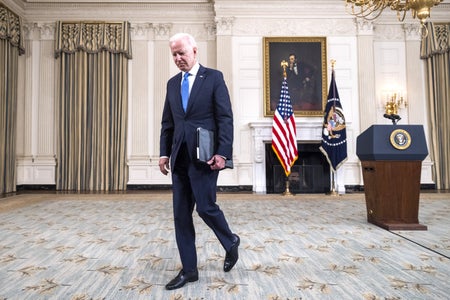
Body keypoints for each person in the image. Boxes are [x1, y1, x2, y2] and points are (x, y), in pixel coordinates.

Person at [159, 32, 240, 290]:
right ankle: (190, 270)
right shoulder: (172, 84)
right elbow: (168, 123)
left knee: (205, 207)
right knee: (181, 215)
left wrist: (223, 153)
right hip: (179, 157)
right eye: (174, 54)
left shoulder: (213, 78)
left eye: (181, 53)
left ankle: (230, 241)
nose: (178, 58)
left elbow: (225, 118)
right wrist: (163, 153)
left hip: (205, 156)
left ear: (194, 51)